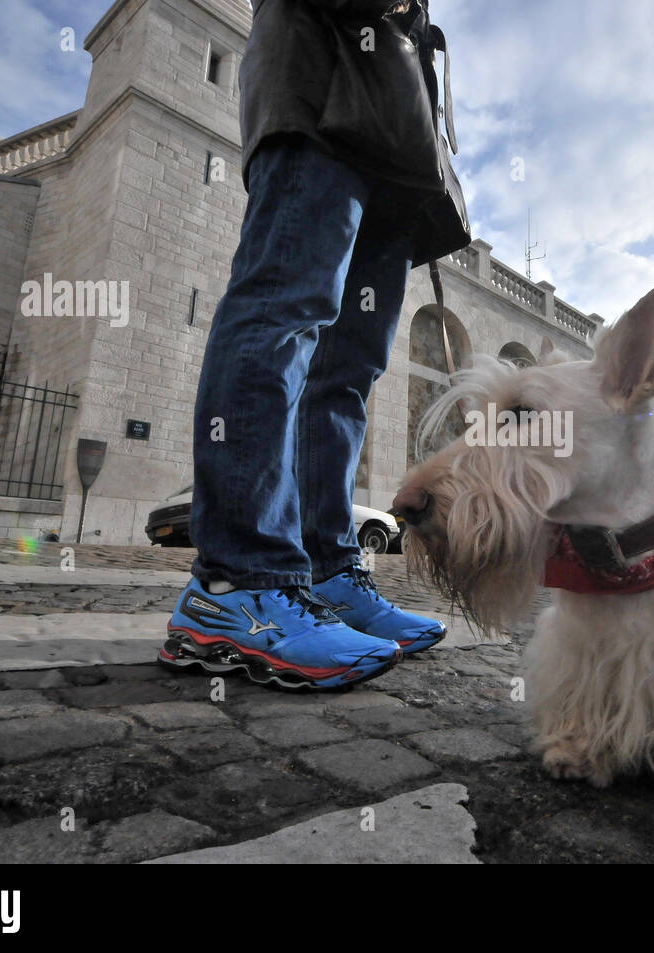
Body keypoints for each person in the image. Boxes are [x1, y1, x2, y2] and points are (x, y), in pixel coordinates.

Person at [160, 0, 470, 689]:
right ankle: (238, 580)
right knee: (281, 313)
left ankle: (327, 571)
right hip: (318, 84)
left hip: (392, 129)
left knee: (349, 368)